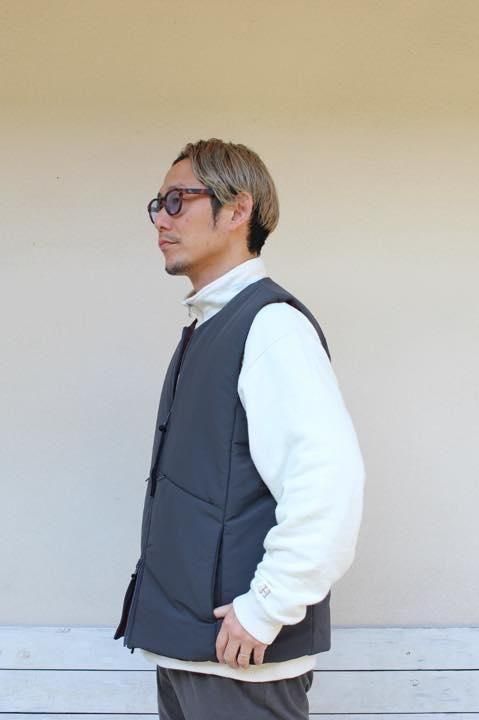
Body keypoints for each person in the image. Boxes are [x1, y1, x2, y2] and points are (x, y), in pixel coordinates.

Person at [114, 138, 365, 720]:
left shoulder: (271, 327)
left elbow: (329, 483)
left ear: (237, 210)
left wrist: (264, 608)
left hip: (241, 665)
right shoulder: (212, 325)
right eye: (158, 205)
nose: (162, 220)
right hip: (194, 656)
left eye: (178, 201)